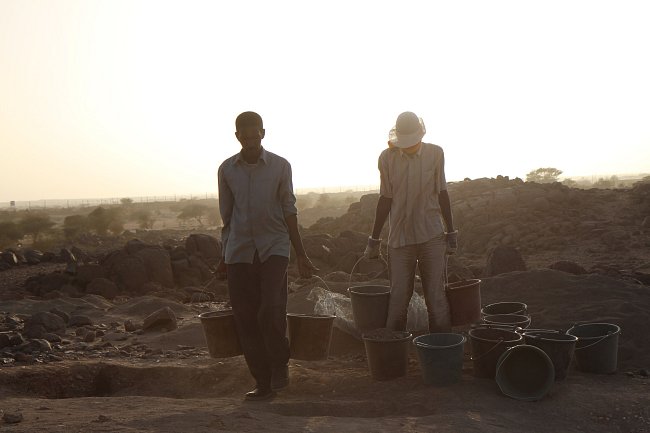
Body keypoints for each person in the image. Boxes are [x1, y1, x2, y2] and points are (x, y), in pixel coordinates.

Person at [217, 111, 317, 401]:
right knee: (245, 317)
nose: (250, 141)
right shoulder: (227, 170)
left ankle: (279, 363)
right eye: (244, 137)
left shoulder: (280, 166)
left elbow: (289, 209)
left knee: (270, 309)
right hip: (239, 251)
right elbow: (227, 217)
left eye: (255, 135)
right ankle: (262, 382)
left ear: (263, 133)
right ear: (237, 137)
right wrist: (224, 255)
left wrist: (301, 253)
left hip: (274, 247)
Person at [364, 111, 458, 333]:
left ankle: (440, 349)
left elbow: (442, 193)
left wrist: (451, 232)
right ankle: (394, 353)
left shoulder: (435, 153)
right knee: (397, 300)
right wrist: (374, 239)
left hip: (431, 235)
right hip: (400, 238)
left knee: (435, 298)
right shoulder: (386, 158)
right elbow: (385, 198)